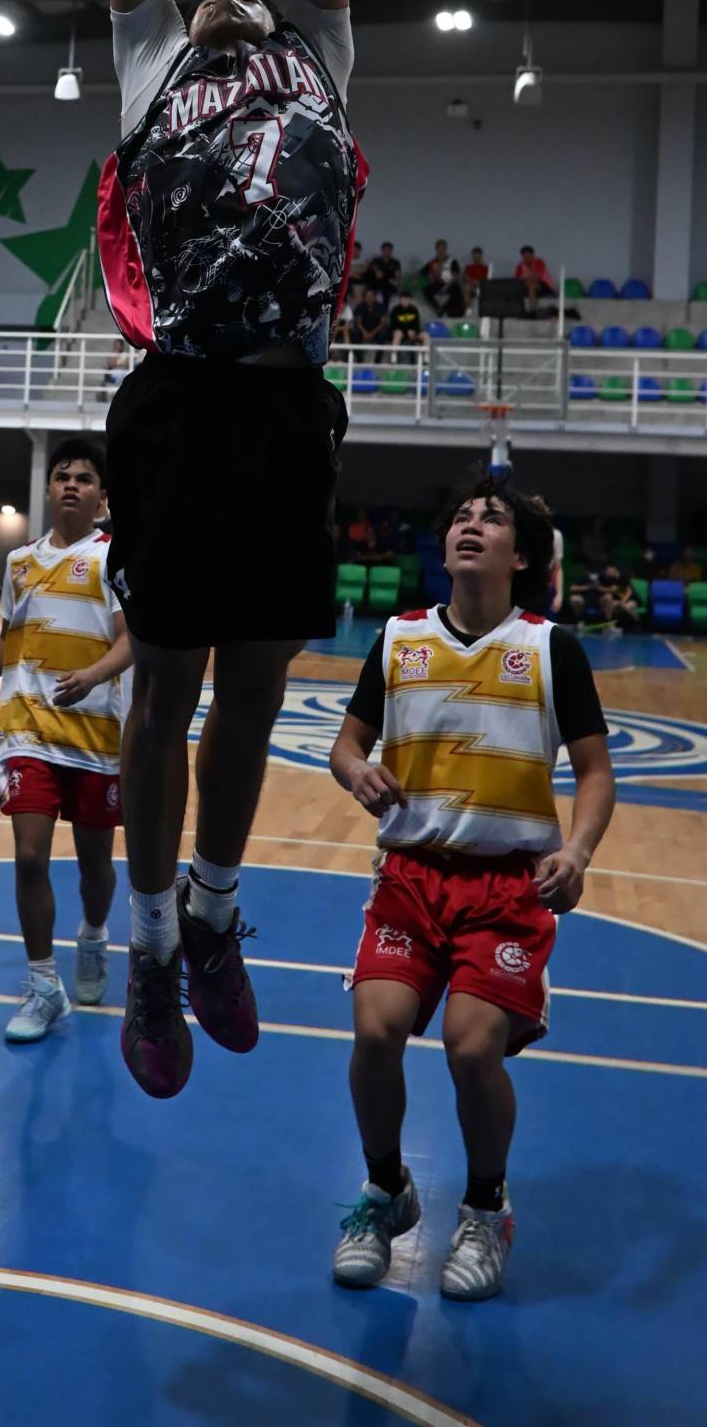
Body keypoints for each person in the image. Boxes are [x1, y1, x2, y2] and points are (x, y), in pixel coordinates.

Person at [98, 0, 361, 1100]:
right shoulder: (149, 60)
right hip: (181, 401)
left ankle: (210, 914)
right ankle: (142, 937)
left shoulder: (320, 50)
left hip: (286, 407)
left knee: (257, 688)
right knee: (169, 688)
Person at [327, 481, 614, 1300]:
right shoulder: (397, 638)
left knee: (470, 1045)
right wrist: (357, 772)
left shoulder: (550, 648)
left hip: (504, 888)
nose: (469, 526)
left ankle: (486, 1208)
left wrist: (579, 850)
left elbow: (594, 772)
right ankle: (386, 1190)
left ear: (519, 556)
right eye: (460, 516)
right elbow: (345, 745)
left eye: (490, 521)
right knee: (376, 1032)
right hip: (410, 879)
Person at [0, 440, 134, 1041]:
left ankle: (92, 936)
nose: (71, 484)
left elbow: (133, 639)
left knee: (95, 863)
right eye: (63, 475)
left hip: (95, 734)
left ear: (103, 496)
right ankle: (44, 984)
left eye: (84, 478)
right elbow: (6, 640)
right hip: (27, 729)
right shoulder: (20, 562)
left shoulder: (114, 556)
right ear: (50, 489)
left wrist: (95, 675)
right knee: (28, 855)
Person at [514, 245, 556, 311]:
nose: (526, 257)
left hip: (545, 286)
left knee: (532, 286)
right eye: (524, 256)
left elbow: (536, 276)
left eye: (527, 255)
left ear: (532, 255)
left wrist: (526, 279)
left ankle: (533, 310)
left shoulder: (539, 262)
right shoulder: (520, 267)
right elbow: (517, 280)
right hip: (527, 286)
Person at [351, 285, 387, 357]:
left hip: (376, 331)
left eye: (371, 296)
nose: (369, 297)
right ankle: (359, 360)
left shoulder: (380, 307)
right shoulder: (361, 306)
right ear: (364, 297)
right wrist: (365, 332)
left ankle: (377, 362)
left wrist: (372, 333)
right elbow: (358, 322)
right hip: (363, 330)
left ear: (375, 297)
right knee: (355, 336)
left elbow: (382, 322)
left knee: (383, 336)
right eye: (367, 295)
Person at [363, 241, 401, 308]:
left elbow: (396, 275)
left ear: (392, 251)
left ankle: (384, 312)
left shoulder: (395, 262)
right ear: (382, 250)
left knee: (387, 292)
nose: (387, 252)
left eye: (389, 250)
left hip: (388, 284)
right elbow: (370, 273)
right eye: (385, 250)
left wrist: (383, 274)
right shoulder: (376, 260)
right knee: (369, 291)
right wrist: (381, 273)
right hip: (375, 283)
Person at [388, 288, 423, 359]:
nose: (405, 301)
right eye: (403, 299)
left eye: (407, 299)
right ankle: (393, 358)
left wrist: (414, 331)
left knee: (426, 336)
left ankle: (426, 359)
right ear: (400, 299)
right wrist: (407, 331)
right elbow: (394, 324)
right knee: (398, 334)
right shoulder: (395, 310)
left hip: (412, 332)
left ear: (410, 300)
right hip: (399, 332)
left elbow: (417, 323)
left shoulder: (414, 309)